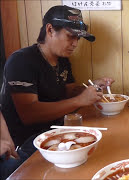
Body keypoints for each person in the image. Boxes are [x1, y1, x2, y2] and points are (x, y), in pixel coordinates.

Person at [0, 5, 113, 161]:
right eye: (70, 36)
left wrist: (93, 86)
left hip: (59, 134)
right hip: (27, 145)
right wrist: (80, 100)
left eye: (78, 38)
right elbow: (29, 114)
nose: (75, 43)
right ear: (50, 30)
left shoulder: (63, 60)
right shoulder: (21, 60)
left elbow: (69, 92)